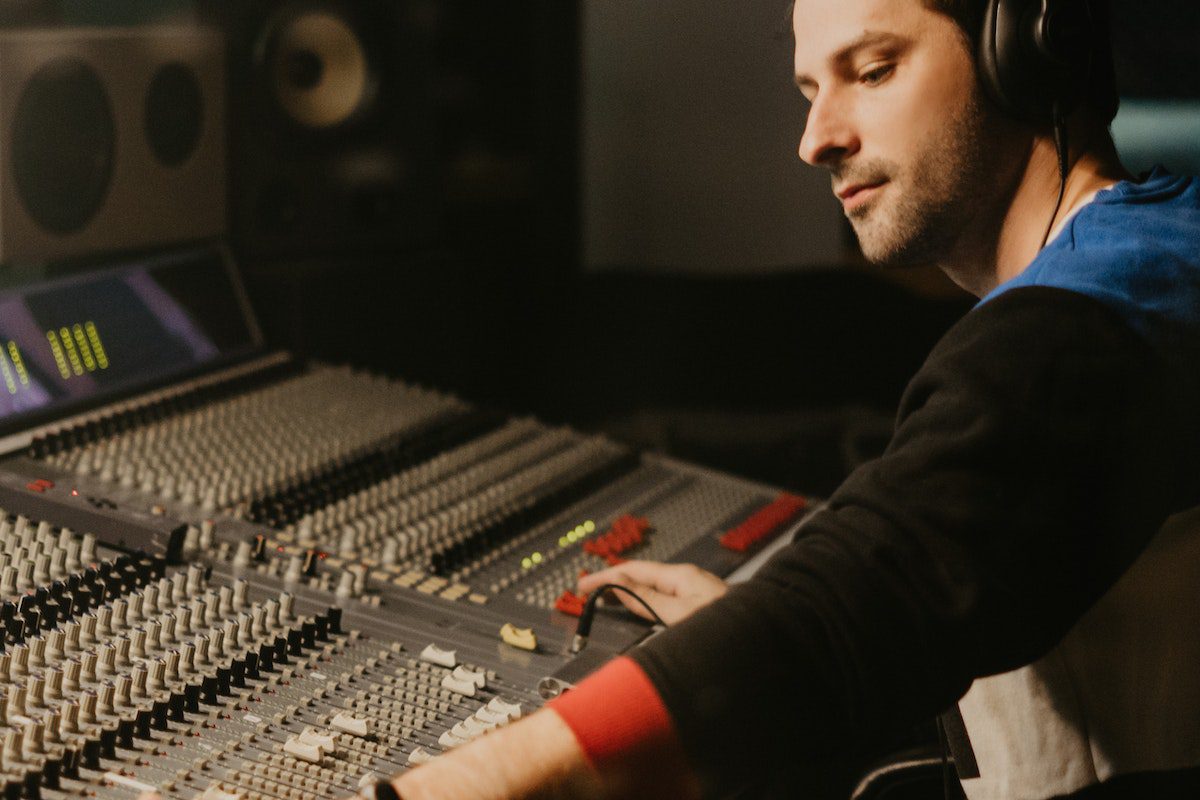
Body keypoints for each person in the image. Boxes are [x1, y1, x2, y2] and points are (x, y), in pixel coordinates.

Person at [383, 0, 1200, 797]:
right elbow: (969, 590)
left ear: (1029, 49)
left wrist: (458, 783)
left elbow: (872, 589)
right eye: (810, 92)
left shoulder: (1091, 321)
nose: (816, 141)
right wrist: (749, 630)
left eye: (873, 70)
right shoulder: (1146, 255)